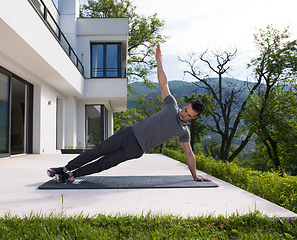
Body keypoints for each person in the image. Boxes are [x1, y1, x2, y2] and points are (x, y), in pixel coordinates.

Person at [47, 44, 211, 183]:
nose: (184, 114)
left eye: (189, 115)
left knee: (105, 163)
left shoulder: (183, 132)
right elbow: (163, 83)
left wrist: (195, 176)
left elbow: (189, 154)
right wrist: (159, 60)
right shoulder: (171, 105)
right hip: (129, 133)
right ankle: (64, 168)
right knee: (97, 151)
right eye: (185, 110)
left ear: (194, 118)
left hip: (136, 149)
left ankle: (70, 176)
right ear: (185, 105)